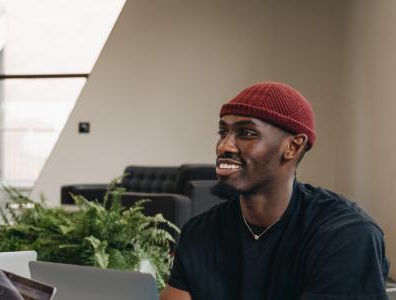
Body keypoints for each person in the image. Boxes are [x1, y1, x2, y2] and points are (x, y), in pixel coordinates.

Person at [161, 81, 390, 300]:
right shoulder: (199, 232)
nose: (224, 146)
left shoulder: (346, 235)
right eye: (223, 132)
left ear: (293, 147)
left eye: (247, 133)